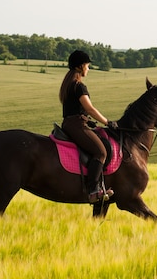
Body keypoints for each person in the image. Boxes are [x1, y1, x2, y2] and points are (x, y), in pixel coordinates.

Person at [59, 50, 117, 203]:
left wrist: (87, 120)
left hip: (71, 123)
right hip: (76, 126)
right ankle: (93, 191)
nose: (88, 69)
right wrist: (107, 122)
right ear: (80, 66)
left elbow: (76, 109)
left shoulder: (68, 84)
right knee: (101, 152)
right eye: (87, 66)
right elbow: (90, 108)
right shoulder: (79, 86)